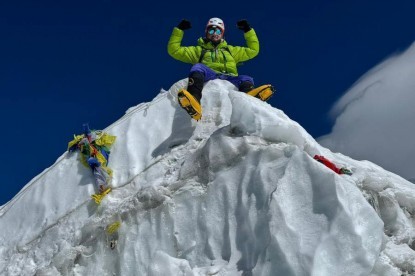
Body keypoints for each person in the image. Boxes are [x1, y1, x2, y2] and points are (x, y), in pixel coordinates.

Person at [168, 17, 275, 120]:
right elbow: (174, 50)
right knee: (198, 67)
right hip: (210, 75)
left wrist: (248, 30)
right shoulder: (199, 50)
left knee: (246, 79)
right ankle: (194, 101)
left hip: (230, 77)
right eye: (211, 31)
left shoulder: (231, 50)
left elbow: (253, 50)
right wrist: (179, 30)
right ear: (206, 33)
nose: (214, 34)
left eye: (218, 32)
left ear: (222, 34)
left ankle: (250, 98)